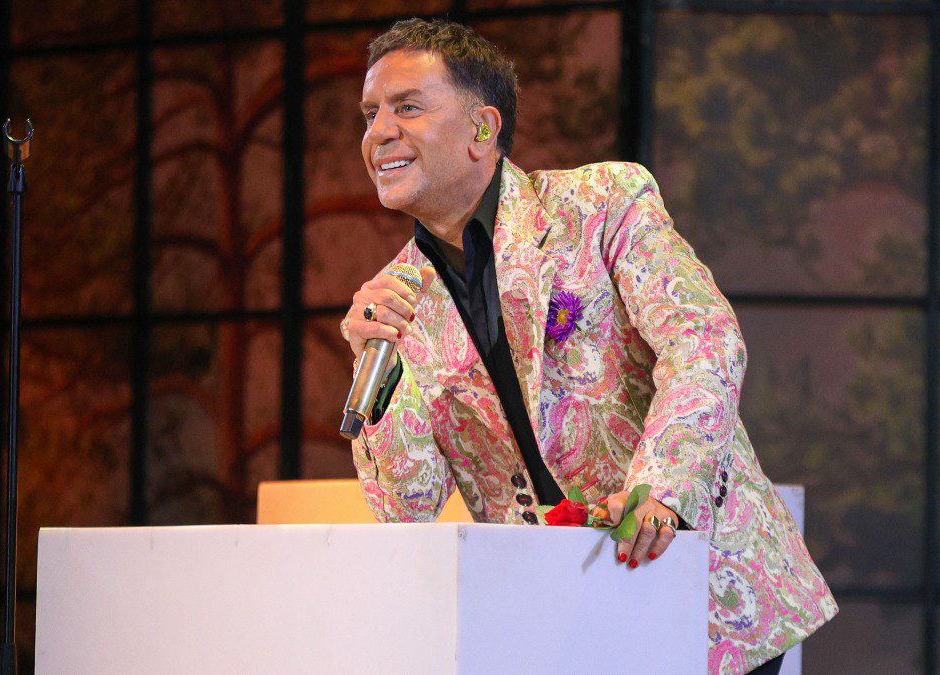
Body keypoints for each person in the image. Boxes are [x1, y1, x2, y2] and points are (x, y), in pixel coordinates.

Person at [339, 19, 836, 674]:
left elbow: (703, 340)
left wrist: (662, 491)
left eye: (407, 107)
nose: (378, 132)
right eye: (370, 114)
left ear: (482, 129)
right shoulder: (399, 300)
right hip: (561, 620)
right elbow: (406, 509)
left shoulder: (600, 203)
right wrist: (376, 367)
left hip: (699, 586)